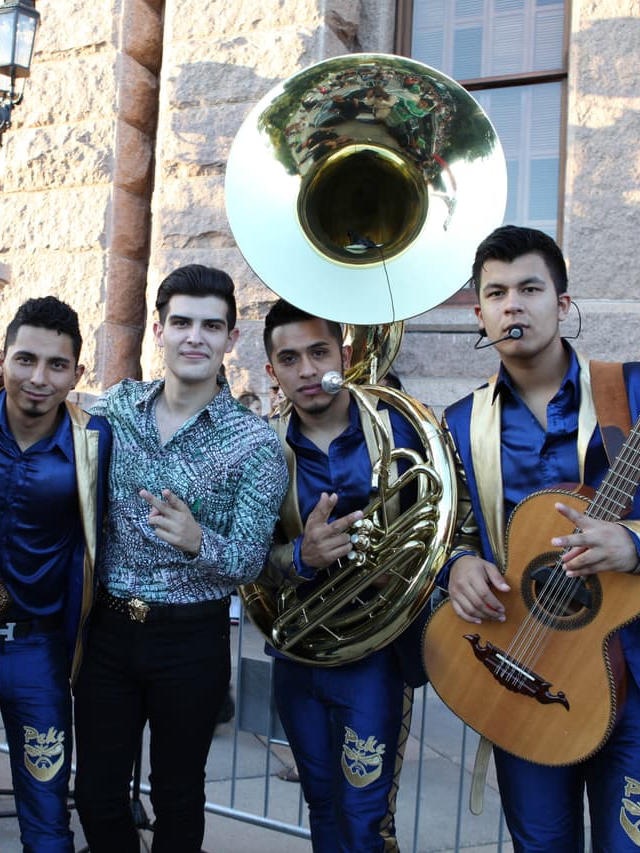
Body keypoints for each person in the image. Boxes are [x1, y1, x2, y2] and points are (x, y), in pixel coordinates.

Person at [441, 226, 640, 852]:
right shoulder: (462, 422)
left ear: (563, 304)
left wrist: (637, 542)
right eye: (496, 293)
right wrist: (459, 565)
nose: (513, 305)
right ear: (479, 314)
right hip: (528, 667)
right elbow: (458, 528)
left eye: (530, 289)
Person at [72, 264, 288, 851]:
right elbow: (47, 421)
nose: (195, 337)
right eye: (182, 323)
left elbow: (249, 561)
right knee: (95, 793)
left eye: (211, 326)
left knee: (178, 796)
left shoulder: (255, 443)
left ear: (231, 338)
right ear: (159, 330)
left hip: (190, 640)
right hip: (109, 631)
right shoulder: (117, 407)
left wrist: (198, 541)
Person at [258, 299, 454, 851]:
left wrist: (403, 567)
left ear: (343, 356)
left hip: (376, 659)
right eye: (289, 359)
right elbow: (245, 564)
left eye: (318, 352)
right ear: (272, 371)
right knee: (322, 805)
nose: (306, 370)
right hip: (299, 655)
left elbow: (450, 523)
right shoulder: (261, 448)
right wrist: (301, 556)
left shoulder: (402, 429)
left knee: (366, 818)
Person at [0, 297, 110, 852]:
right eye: (25, 360)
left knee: (48, 815)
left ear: (77, 373)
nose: (38, 378)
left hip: (39, 653)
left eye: (57, 365)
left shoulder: (94, 440)